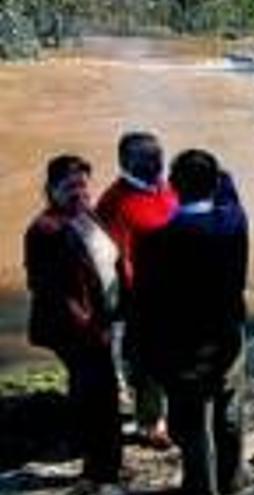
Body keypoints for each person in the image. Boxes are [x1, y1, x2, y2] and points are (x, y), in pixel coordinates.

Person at [135, 150, 248, 495]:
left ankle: (200, 489)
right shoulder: (234, 222)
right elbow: (227, 188)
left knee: (191, 427)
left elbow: (147, 306)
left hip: (182, 353)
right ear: (215, 184)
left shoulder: (155, 242)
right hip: (228, 340)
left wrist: (145, 355)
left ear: (172, 185)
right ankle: (231, 484)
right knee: (228, 417)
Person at [24, 155, 124, 495]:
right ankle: (101, 476)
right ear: (51, 189)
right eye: (70, 186)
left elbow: (106, 261)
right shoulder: (45, 230)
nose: (79, 191)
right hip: (78, 330)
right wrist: (91, 331)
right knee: (101, 398)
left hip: (101, 322)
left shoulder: (86, 214)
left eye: (83, 184)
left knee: (90, 393)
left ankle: (91, 457)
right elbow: (50, 291)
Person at [96, 131, 178, 449]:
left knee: (173, 359)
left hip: (173, 292)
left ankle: (169, 412)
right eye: (147, 159)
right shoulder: (115, 203)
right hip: (143, 301)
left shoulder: (166, 189)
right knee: (150, 364)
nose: (156, 164)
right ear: (126, 163)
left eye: (158, 157)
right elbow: (119, 264)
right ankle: (151, 424)